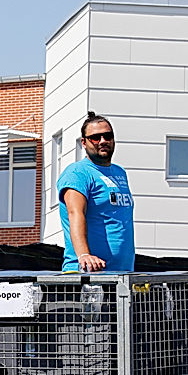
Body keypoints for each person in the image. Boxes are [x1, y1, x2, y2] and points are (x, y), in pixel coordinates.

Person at [56, 111, 135, 272]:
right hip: (87, 274)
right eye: (95, 138)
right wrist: (84, 255)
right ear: (84, 142)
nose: (103, 141)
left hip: (122, 273)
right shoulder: (77, 173)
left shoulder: (119, 173)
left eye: (108, 136)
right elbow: (75, 213)